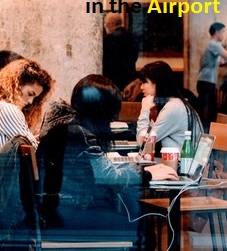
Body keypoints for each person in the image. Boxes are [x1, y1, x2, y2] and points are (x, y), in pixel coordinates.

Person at [38, 74, 178, 231]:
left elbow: (101, 171)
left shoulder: (67, 127)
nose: (114, 118)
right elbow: (108, 177)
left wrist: (144, 170)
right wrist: (148, 174)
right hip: (69, 212)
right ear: (100, 110)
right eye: (112, 112)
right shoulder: (78, 133)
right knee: (142, 229)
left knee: (133, 210)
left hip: (61, 208)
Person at [0, 58, 54, 154]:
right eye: (30, 93)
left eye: (35, 98)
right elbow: (32, 151)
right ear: (18, 84)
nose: (31, 101)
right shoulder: (7, 110)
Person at [136, 61, 204, 152]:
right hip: (177, 161)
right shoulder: (175, 103)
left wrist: (144, 110)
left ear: (158, 83)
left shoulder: (173, 108)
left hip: (180, 164)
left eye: (145, 82)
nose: (141, 87)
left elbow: (143, 144)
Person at [197, 22, 227, 131]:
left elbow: (219, 61)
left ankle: (206, 132)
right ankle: (206, 132)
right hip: (206, 81)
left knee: (209, 108)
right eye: (223, 32)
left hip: (206, 80)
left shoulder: (211, 45)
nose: (224, 35)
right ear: (217, 32)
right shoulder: (213, 44)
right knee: (209, 109)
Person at [102, 12, 140, 91]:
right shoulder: (132, 37)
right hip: (129, 78)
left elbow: (106, 62)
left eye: (106, 24)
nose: (105, 27)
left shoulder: (109, 39)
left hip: (113, 80)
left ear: (111, 23)